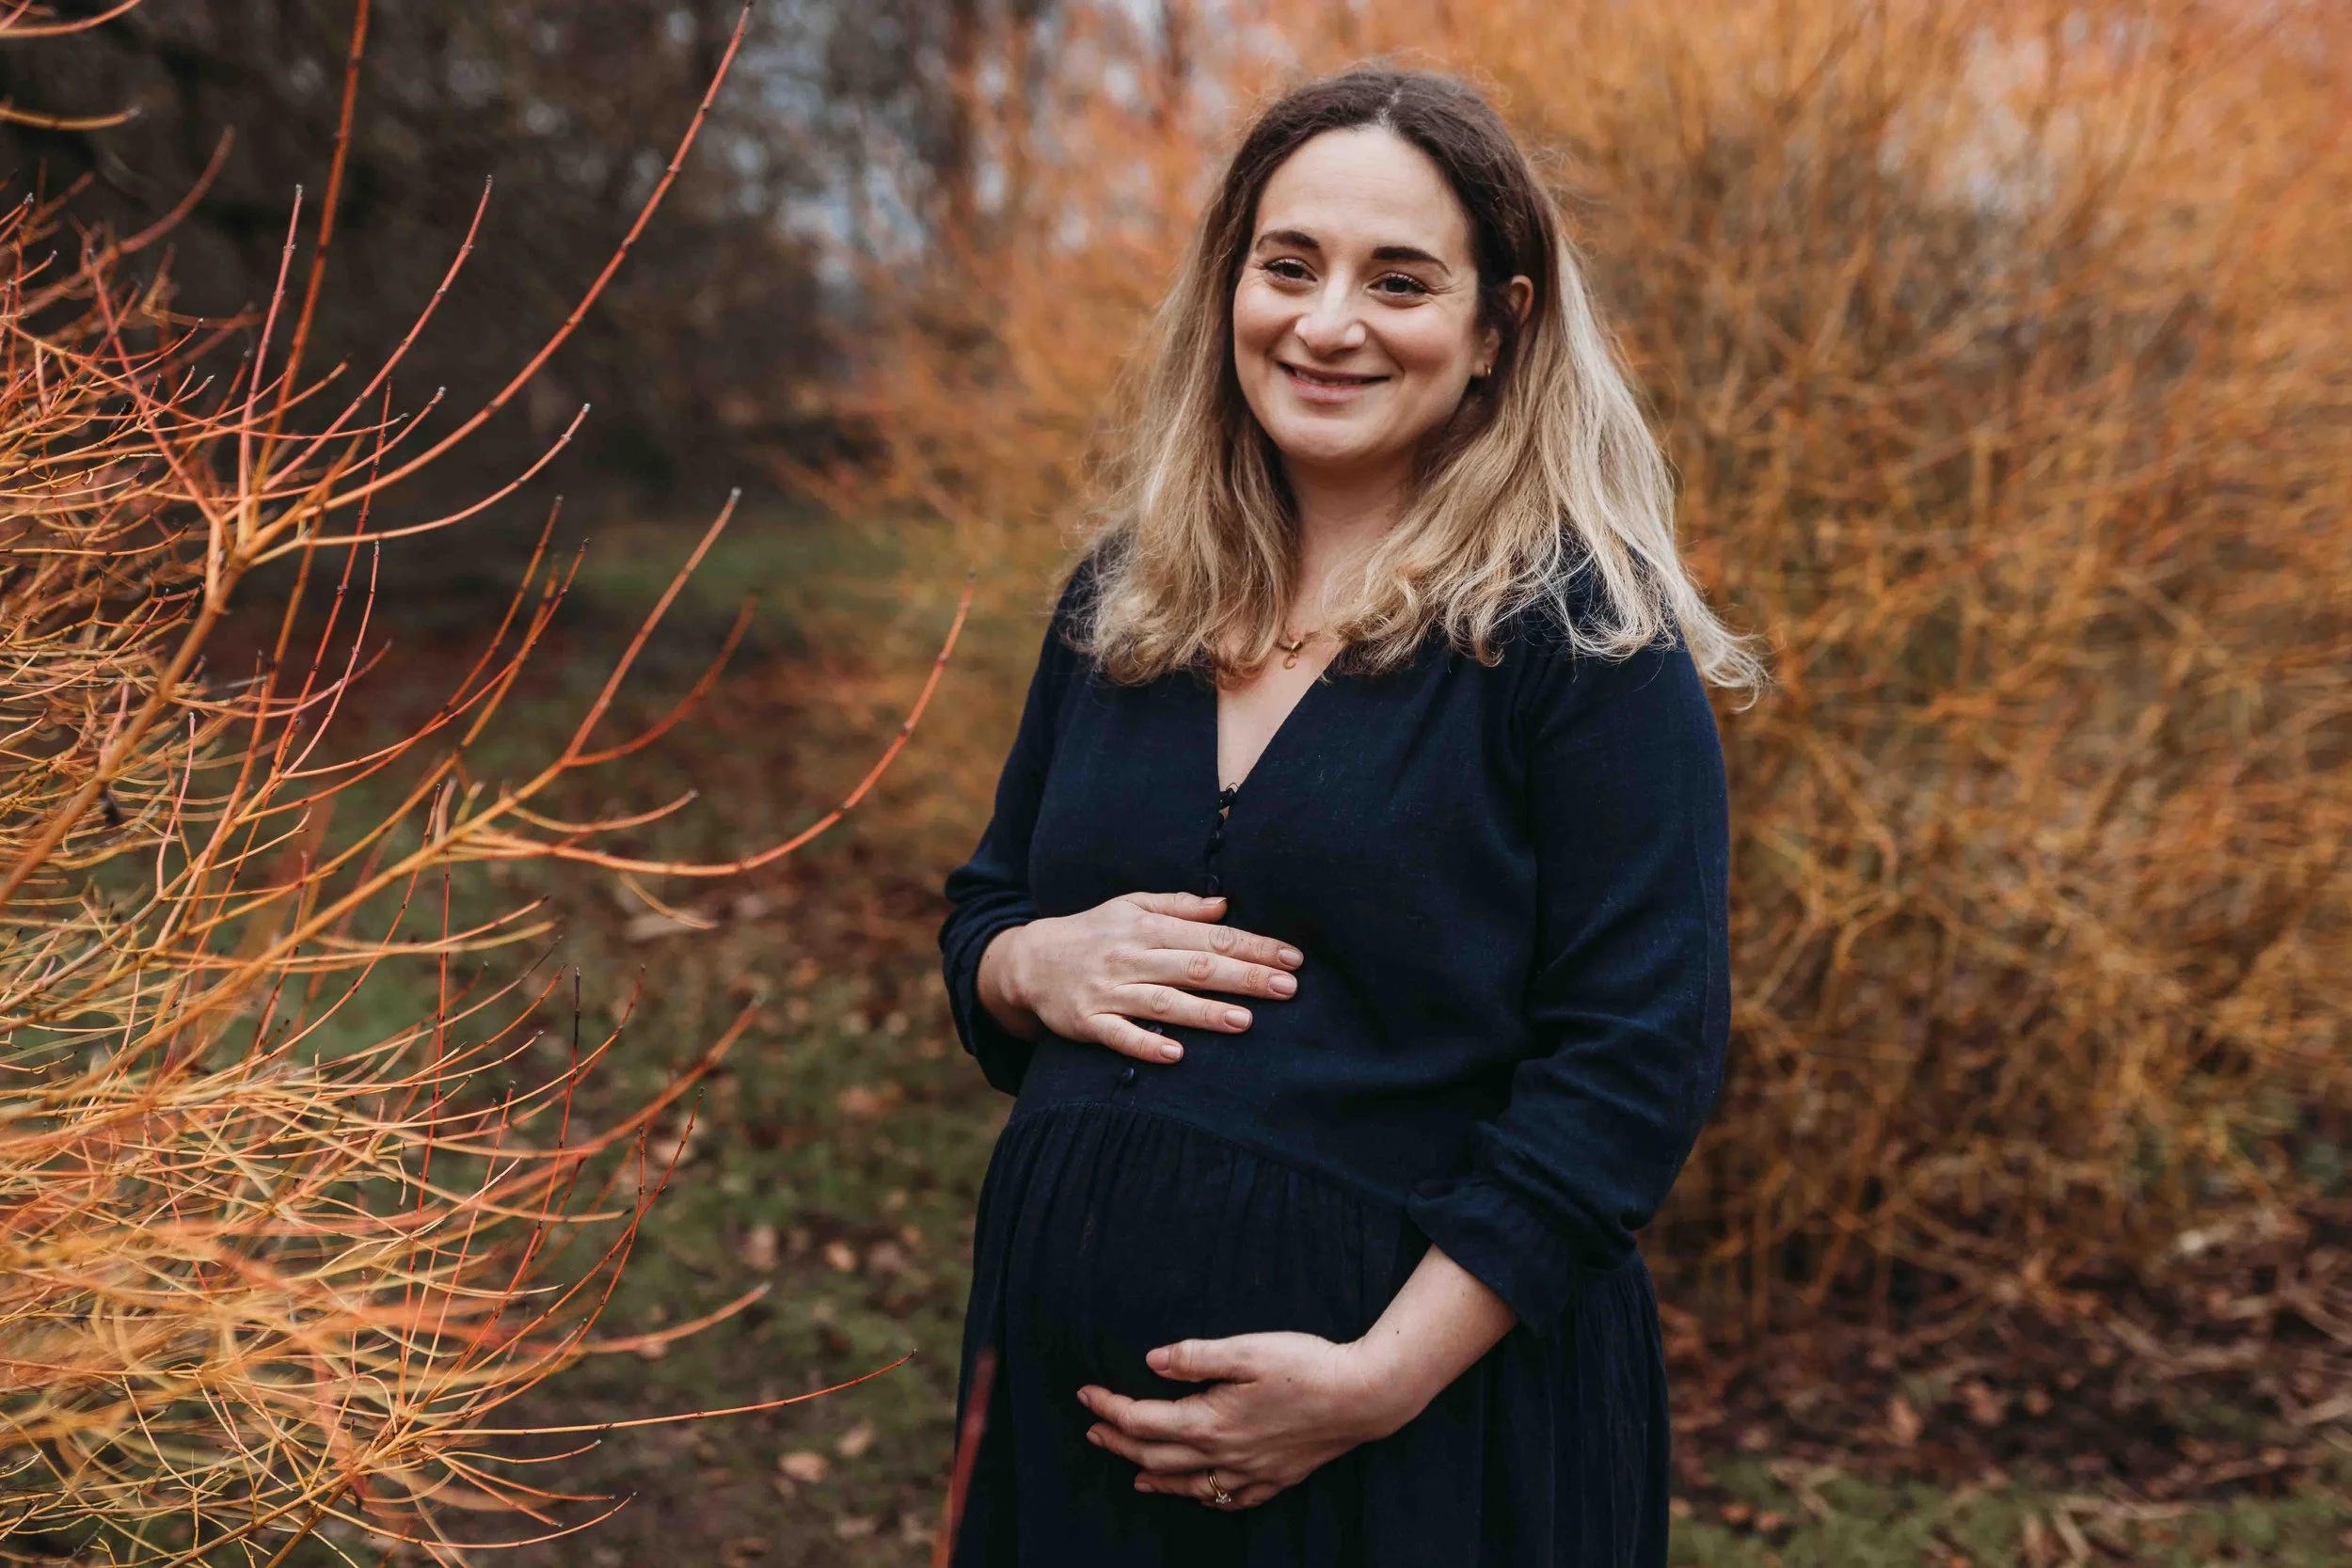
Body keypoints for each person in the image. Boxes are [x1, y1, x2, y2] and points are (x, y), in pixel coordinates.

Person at [937, 67, 1760, 1568]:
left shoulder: (1583, 642)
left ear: (1500, 327)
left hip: (1422, 1454)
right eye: (1289, 265)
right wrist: (1027, 965)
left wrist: (1375, 1379)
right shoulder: (1125, 600)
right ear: (1228, 286)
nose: (1327, 325)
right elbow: (985, 909)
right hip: (1068, 1437)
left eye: (1399, 281)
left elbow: (1637, 1066)